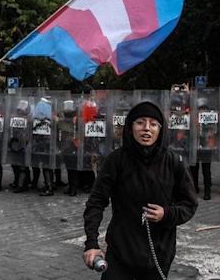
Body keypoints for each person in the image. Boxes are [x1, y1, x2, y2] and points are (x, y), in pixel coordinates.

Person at [82, 102, 198, 279]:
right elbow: (96, 202)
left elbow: (189, 203)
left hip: (158, 253)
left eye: (153, 124)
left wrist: (166, 214)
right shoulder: (116, 161)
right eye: (140, 122)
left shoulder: (173, 162)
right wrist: (91, 243)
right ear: (130, 128)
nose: (147, 129)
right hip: (121, 251)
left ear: (160, 130)